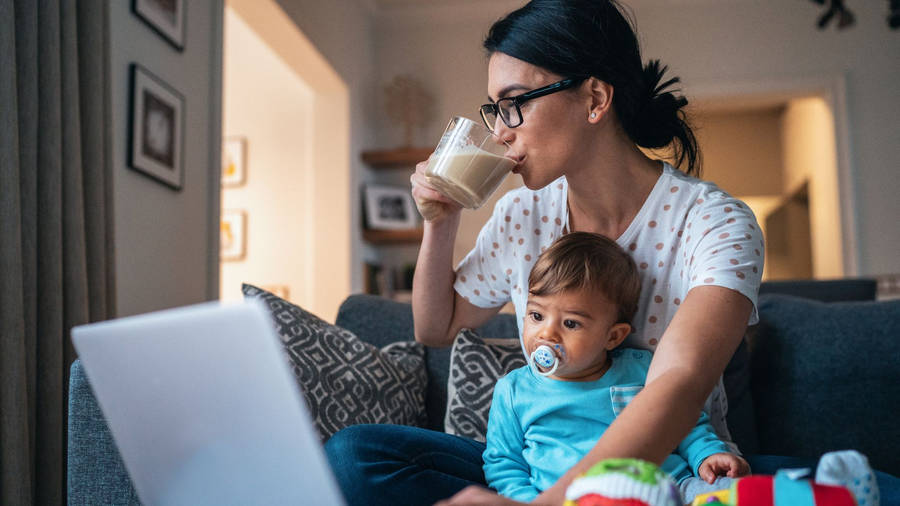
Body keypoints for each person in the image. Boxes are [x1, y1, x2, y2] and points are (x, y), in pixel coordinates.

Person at [323, 1, 899, 505]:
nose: (500, 131)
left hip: (672, 474)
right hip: (539, 472)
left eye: (514, 102)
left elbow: (676, 384)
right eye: (494, 109)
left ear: (595, 98)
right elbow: (435, 327)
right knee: (356, 456)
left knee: (881, 488)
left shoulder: (715, 222)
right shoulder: (522, 215)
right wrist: (440, 224)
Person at [483, 232, 749, 504]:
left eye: (571, 323)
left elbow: (685, 424)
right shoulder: (513, 391)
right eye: (537, 316)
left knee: (730, 492)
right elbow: (504, 465)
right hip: (570, 500)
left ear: (613, 336)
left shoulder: (643, 369)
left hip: (667, 489)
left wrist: (708, 455)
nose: (546, 334)